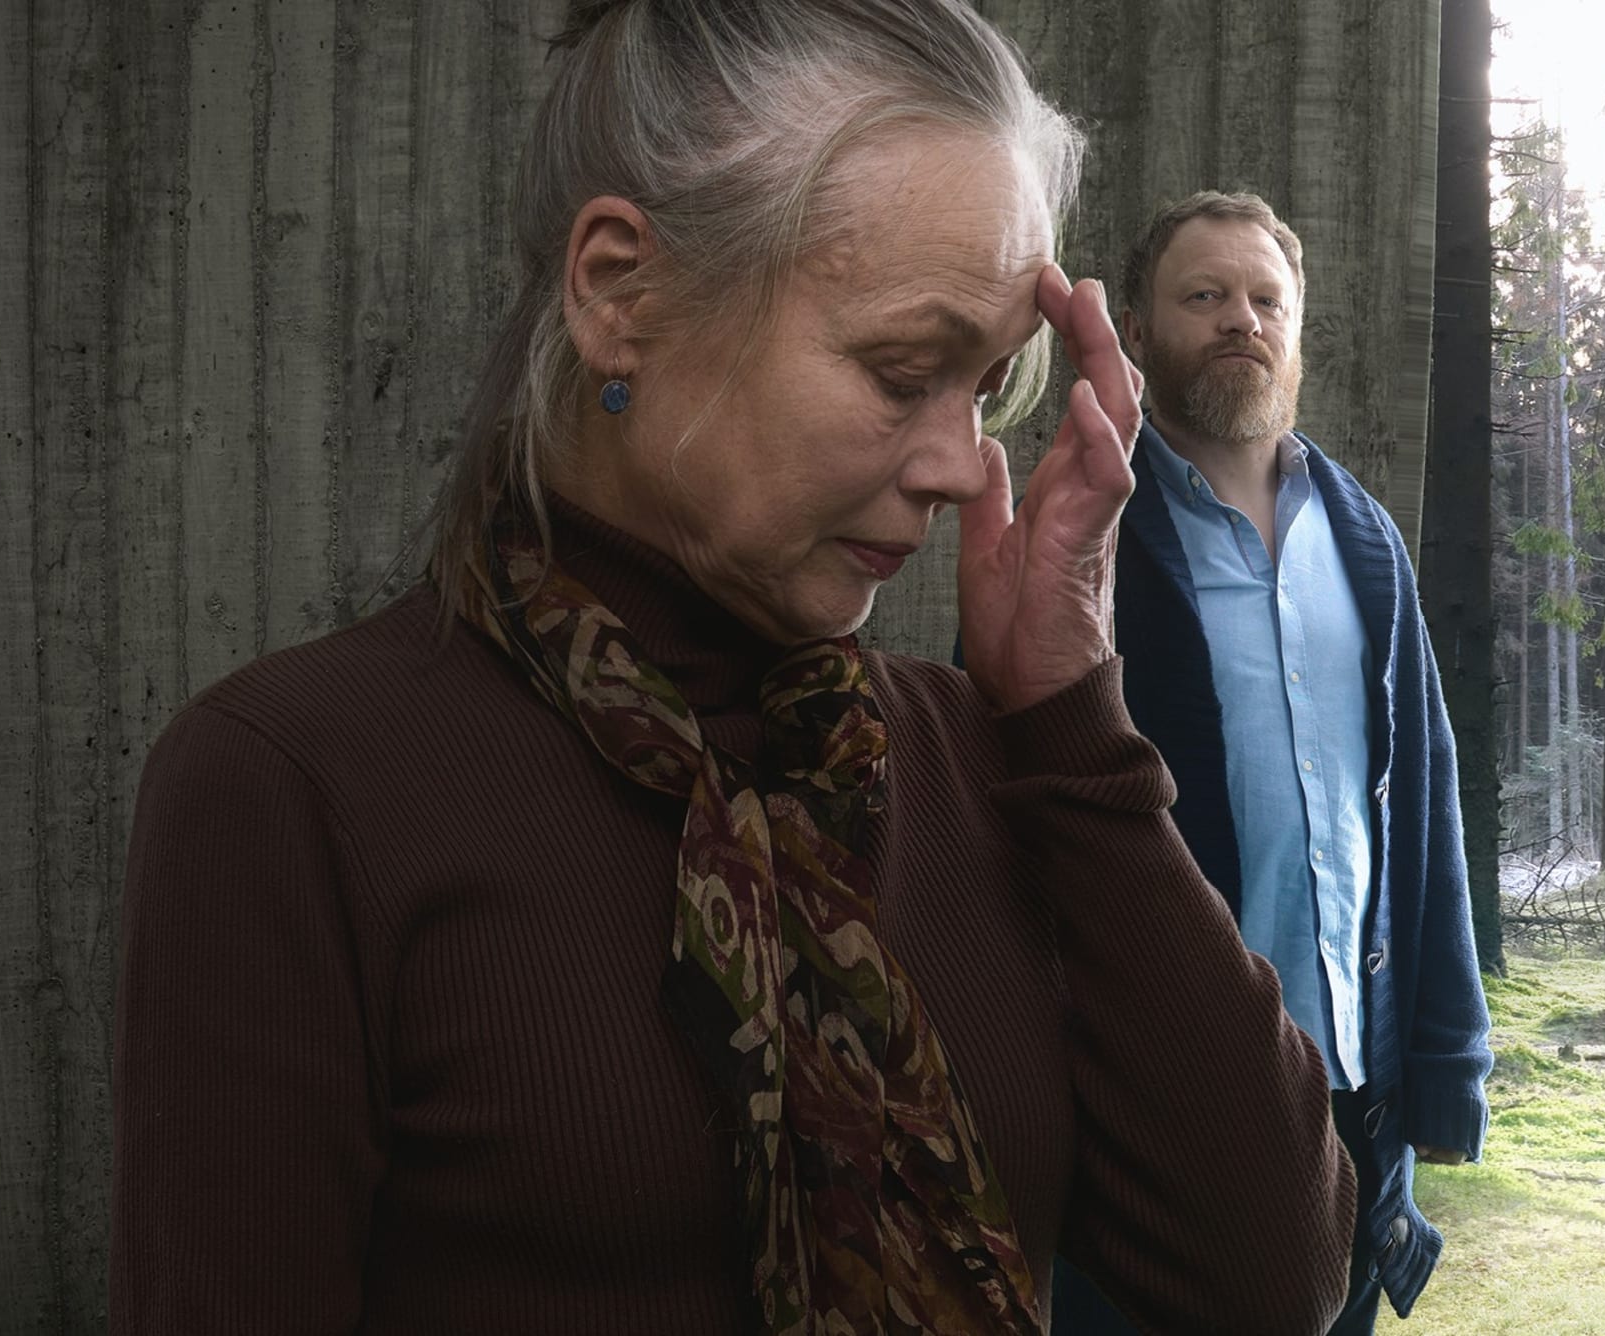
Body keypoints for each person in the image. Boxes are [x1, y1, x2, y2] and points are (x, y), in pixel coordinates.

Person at [108, 4, 1354, 1332]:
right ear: (620, 294)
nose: (959, 464)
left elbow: (1268, 1277)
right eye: (903, 371)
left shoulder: (973, 758)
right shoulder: (299, 785)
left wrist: (1069, 714)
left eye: (988, 389)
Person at [1035, 190, 1495, 1336]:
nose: (1241, 319)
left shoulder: (1365, 536)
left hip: (1352, 1094)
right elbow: (1008, 819)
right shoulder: (1080, 531)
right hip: (1156, 1099)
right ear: (1137, 331)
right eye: (1204, 295)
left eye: (1265, 299)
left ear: (1295, 329)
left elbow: (1424, 808)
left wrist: (1446, 1062)